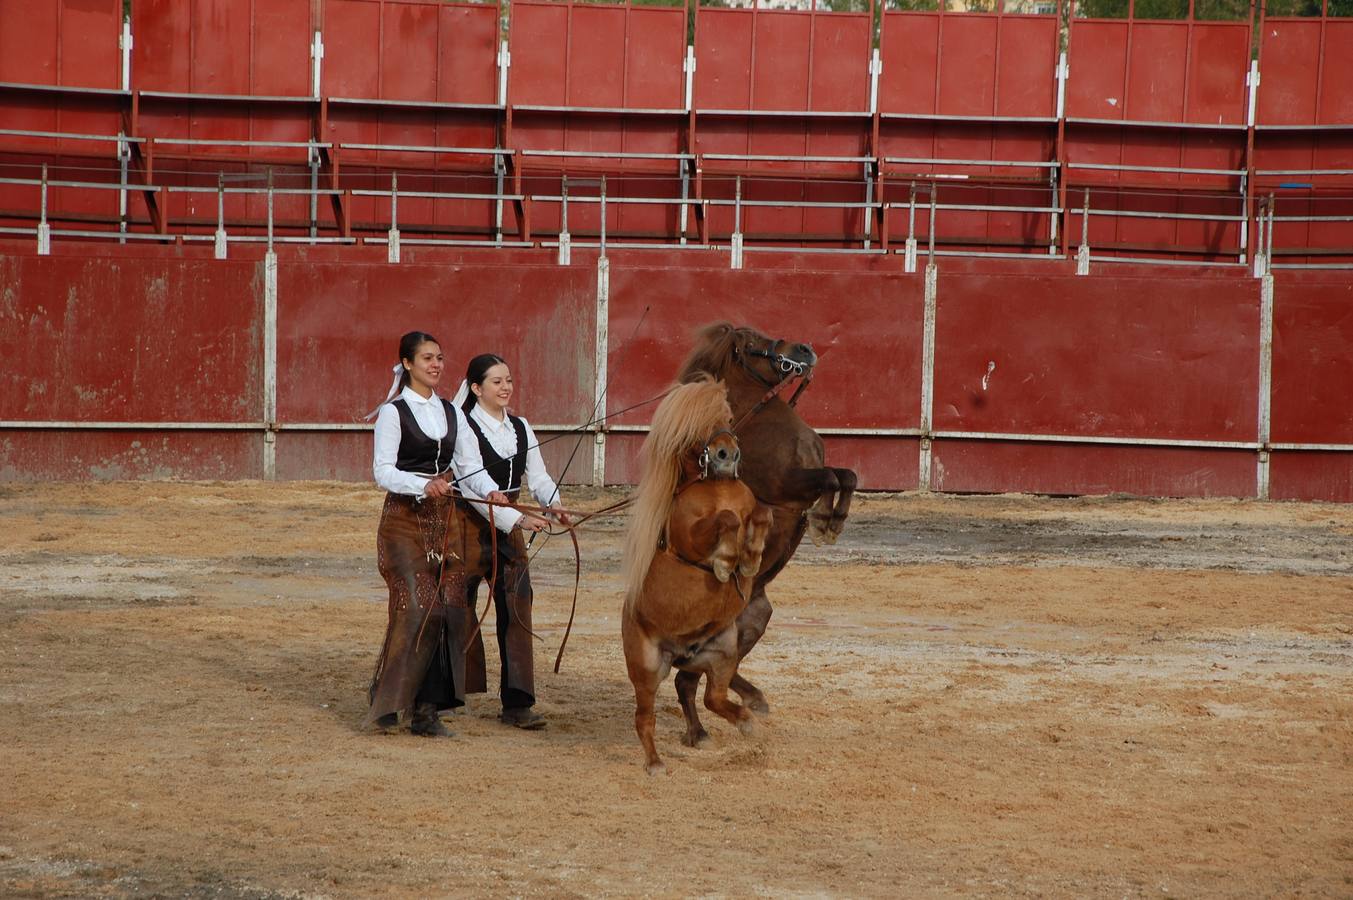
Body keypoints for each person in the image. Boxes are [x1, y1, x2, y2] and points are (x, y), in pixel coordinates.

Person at [363, 331, 509, 737]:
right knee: (414, 607)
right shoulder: (393, 412)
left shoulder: (451, 412)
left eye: (440, 358)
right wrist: (421, 483)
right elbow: (383, 471)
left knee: (447, 609)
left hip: (444, 522)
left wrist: (489, 490)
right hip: (404, 520)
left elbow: (470, 466)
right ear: (407, 364)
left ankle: (427, 710)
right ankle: (389, 700)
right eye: (427, 358)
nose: (436, 365)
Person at [456, 353, 573, 730]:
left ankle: (517, 703)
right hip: (468, 524)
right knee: (455, 608)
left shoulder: (521, 426)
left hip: (511, 526)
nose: (506, 387)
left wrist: (553, 504)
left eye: (508, 379)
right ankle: (443, 695)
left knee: (518, 606)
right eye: (496, 381)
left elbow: (537, 477)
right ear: (476, 388)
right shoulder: (463, 427)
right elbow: (474, 483)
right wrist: (518, 517)